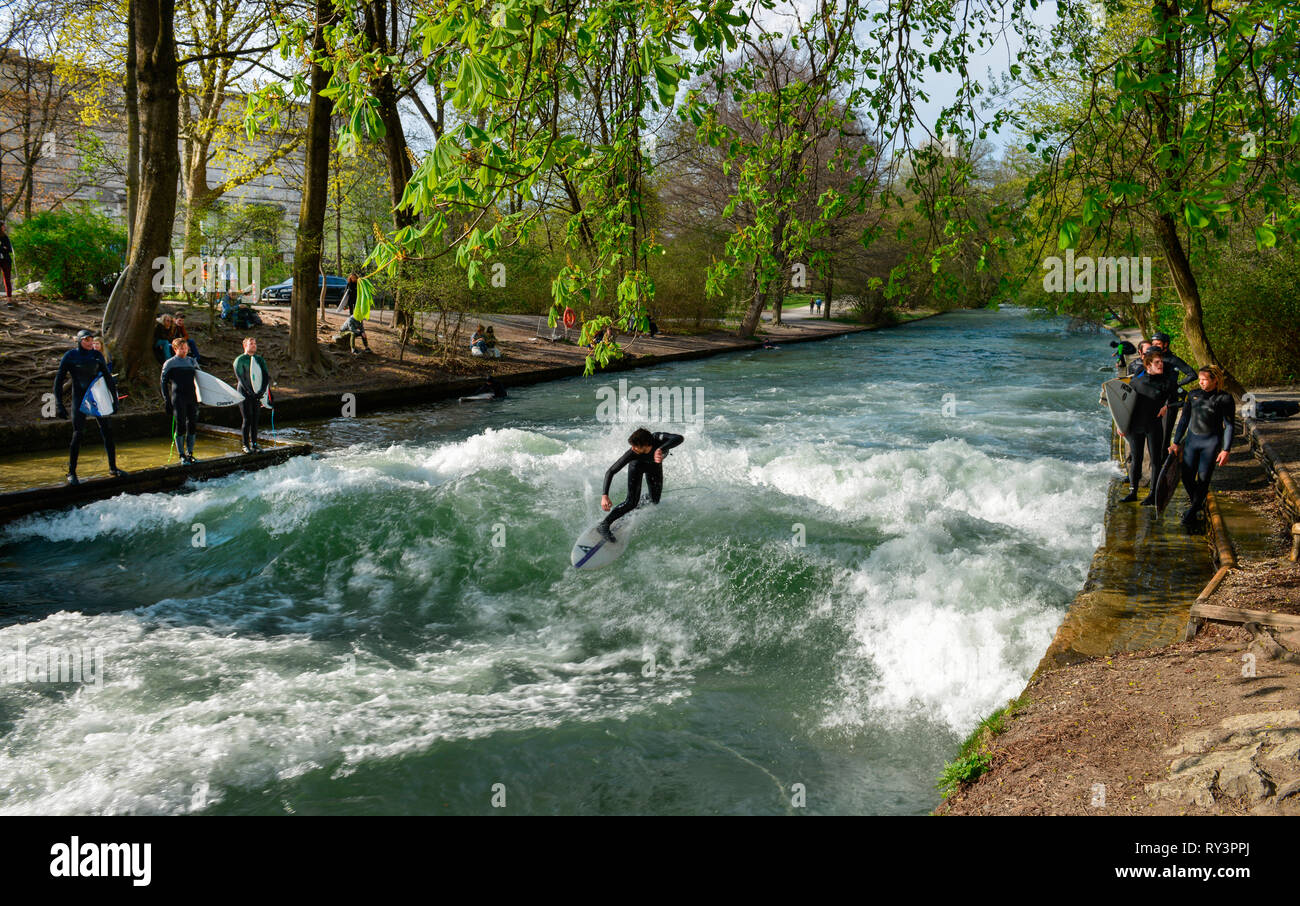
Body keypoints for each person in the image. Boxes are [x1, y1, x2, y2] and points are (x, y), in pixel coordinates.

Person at [53, 329, 128, 484]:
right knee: (78, 434)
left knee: (107, 431)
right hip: (79, 399)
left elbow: (107, 378)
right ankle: (71, 472)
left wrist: (114, 400)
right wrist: (59, 404)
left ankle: (113, 467)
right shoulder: (70, 356)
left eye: (91, 339)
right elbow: (59, 380)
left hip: (97, 398)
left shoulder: (96, 355)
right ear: (80, 341)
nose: (90, 342)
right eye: (86, 340)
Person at [1170, 365, 1235, 528]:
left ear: (1215, 380)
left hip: (1211, 443)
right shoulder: (1192, 395)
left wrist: (1226, 449)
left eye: (1205, 380)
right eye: (1200, 380)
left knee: (1204, 478)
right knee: (1186, 477)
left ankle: (1191, 513)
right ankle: (1197, 504)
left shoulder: (1224, 398)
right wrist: (1176, 442)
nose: (1201, 383)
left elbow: (1229, 425)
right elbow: (1184, 419)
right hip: (1192, 441)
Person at [597, 427, 684, 543]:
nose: (633, 449)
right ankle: (604, 525)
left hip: (654, 468)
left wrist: (661, 449)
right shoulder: (632, 453)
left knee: (654, 500)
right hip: (636, 468)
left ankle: (636, 506)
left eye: (635, 446)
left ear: (646, 445)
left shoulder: (657, 438)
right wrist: (604, 496)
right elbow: (611, 471)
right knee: (630, 502)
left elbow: (679, 438)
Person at [1118, 350, 1175, 503]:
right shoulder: (1137, 382)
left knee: (1156, 460)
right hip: (1135, 425)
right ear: (1148, 365)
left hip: (1154, 425)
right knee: (1136, 459)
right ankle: (1133, 492)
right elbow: (1124, 404)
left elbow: (1181, 399)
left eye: (1161, 362)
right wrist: (1120, 423)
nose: (1161, 364)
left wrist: (1166, 407)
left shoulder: (1167, 382)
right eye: (1157, 362)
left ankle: (1152, 495)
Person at [160, 336, 201, 464]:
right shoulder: (170, 363)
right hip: (178, 398)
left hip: (192, 397)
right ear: (175, 349)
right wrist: (166, 400)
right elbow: (163, 382)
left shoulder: (192, 362)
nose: (185, 351)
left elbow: (201, 380)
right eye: (182, 348)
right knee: (181, 425)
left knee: (192, 425)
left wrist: (203, 397)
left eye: (186, 348)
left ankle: (190, 453)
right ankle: (182, 455)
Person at [233, 337, 272, 453]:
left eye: (255, 343)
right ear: (245, 346)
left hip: (257, 393)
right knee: (247, 418)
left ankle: (254, 444)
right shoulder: (240, 360)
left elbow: (265, 376)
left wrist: (261, 391)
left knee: (255, 419)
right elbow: (240, 378)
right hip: (244, 392)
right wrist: (250, 392)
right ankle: (245, 445)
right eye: (251, 344)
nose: (254, 345)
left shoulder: (259, 360)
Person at [0, 220, 13, 300]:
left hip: (6, 260)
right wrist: (2, 248)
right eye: (3, 226)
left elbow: (10, 249)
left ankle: (9, 300)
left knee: (7, 280)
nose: (5, 227)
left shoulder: (5, 237)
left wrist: (4, 248)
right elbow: (5, 248)